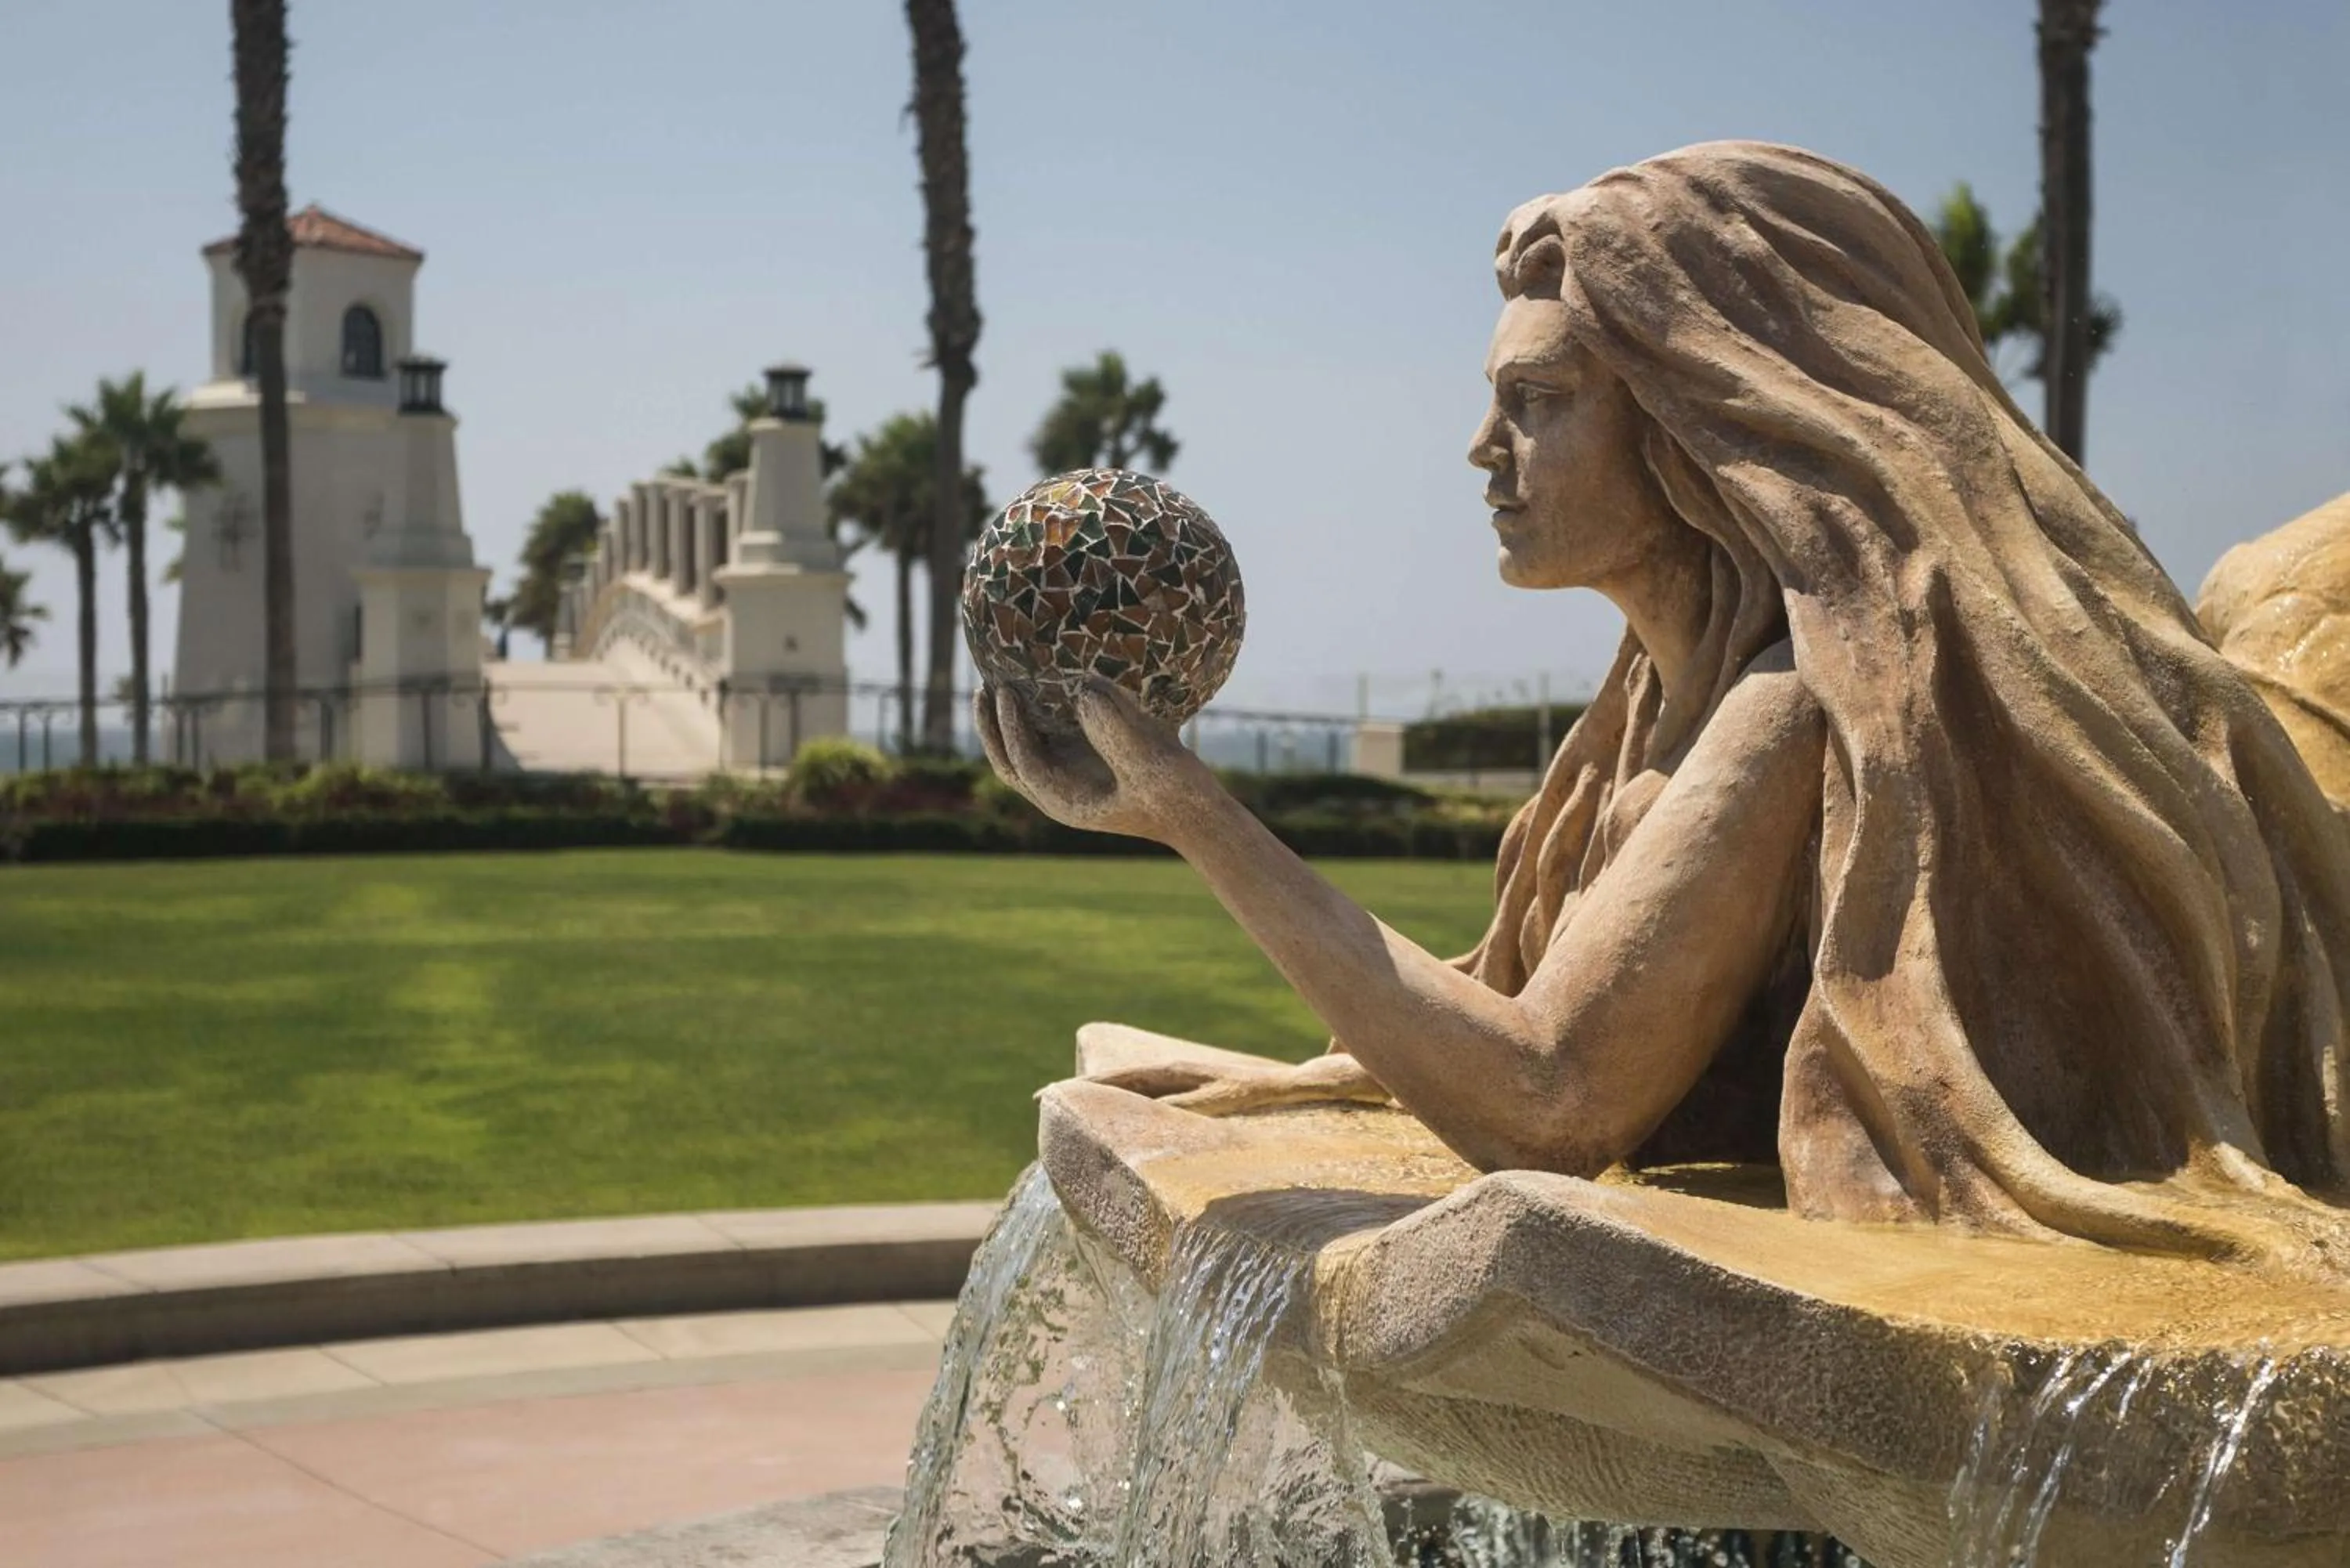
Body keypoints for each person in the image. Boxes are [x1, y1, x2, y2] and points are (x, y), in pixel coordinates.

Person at [977, 142, 2350, 1278]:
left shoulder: (1785, 717)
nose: (1482, 447)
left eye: (1539, 401)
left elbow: (1552, 1097)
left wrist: (1197, 817)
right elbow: (1509, 1021)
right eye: (1492, 400)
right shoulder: (1647, 711)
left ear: (1695, 431)